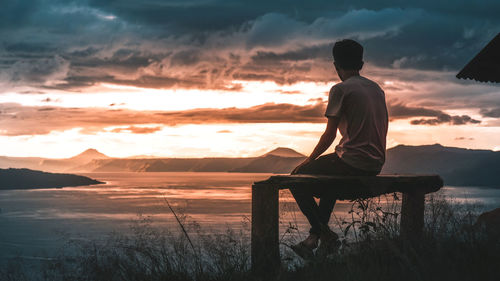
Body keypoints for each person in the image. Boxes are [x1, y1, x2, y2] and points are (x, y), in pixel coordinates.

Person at [290, 39, 388, 259]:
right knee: (330, 184)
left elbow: (329, 135)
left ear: (335, 65)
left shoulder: (340, 89)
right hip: (376, 163)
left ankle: (327, 236)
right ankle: (314, 239)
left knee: (295, 179)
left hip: (352, 161)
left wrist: (308, 160)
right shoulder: (377, 89)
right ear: (361, 64)